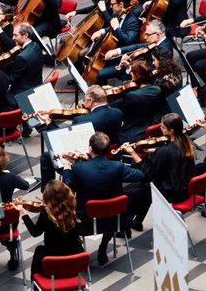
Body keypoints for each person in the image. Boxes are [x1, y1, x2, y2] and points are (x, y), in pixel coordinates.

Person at [60, 131, 145, 265]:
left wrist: (67, 166)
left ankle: (78, 249)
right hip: (114, 220)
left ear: (90, 149)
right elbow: (141, 175)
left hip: (85, 221)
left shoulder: (78, 168)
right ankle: (103, 246)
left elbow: (66, 189)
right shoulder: (118, 166)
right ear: (108, 149)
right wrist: (132, 153)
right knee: (112, 207)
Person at [123, 113, 195, 231]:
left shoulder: (164, 152)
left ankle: (125, 228)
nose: (160, 129)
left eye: (162, 127)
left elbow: (147, 173)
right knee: (143, 187)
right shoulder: (186, 144)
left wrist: (132, 153)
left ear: (171, 131)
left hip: (169, 192)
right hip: (183, 189)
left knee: (127, 194)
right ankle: (137, 221)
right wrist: (155, 152)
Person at [14, 180, 84, 277]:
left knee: (39, 250)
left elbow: (35, 233)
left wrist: (23, 213)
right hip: (74, 263)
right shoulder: (77, 211)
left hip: (53, 264)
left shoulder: (46, 216)